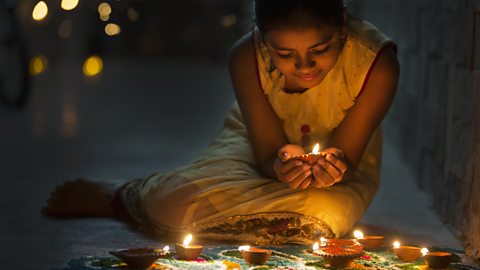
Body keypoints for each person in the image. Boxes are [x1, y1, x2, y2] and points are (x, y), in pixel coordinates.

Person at [42, 0, 399, 245]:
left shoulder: (375, 63)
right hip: (253, 146)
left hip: (342, 173)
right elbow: (264, 156)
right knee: (176, 200)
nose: (304, 67)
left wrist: (333, 168)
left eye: (320, 50)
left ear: (342, 25)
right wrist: (280, 161)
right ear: (262, 38)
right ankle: (121, 195)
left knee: (324, 213)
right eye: (285, 55)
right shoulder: (246, 57)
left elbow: (349, 160)